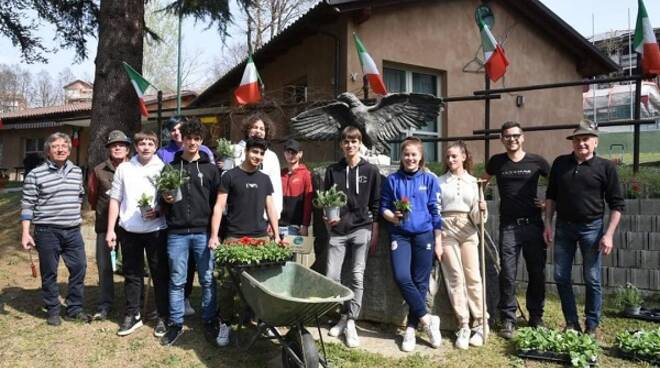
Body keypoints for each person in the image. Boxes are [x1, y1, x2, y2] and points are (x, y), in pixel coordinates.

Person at [544, 119, 624, 336]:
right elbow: (551, 196)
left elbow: (617, 205)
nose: (581, 143)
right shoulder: (560, 164)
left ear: (595, 142)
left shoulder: (605, 168)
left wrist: (608, 235)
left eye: (586, 139)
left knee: (592, 278)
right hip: (563, 228)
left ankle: (591, 324)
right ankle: (571, 323)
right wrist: (548, 225)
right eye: (577, 139)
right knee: (561, 276)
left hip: (592, 229)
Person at [159, 119, 224, 346]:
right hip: (176, 233)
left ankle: (209, 320)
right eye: (189, 139)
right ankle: (175, 324)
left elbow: (218, 202)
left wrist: (217, 233)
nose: (192, 143)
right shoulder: (171, 168)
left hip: (203, 232)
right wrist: (165, 199)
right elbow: (162, 198)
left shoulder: (210, 169)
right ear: (182, 140)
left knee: (207, 279)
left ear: (201, 141)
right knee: (177, 280)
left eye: (197, 139)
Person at [484, 121, 550, 339]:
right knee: (508, 275)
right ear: (502, 139)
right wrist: (478, 201)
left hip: (533, 225)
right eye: (507, 136)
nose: (512, 139)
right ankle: (508, 319)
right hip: (509, 226)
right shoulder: (497, 162)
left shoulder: (537, 161)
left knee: (536, 272)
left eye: (515, 136)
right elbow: (481, 182)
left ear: (523, 137)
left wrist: (548, 203)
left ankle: (536, 317)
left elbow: (558, 183)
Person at [208, 137, 281, 336]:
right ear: (246, 151)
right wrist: (215, 235)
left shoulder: (264, 179)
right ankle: (225, 323)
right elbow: (219, 206)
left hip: (260, 238)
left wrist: (276, 234)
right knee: (227, 284)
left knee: (263, 284)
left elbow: (271, 207)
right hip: (234, 237)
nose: (257, 156)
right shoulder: (230, 176)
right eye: (254, 152)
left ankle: (261, 321)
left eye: (261, 153)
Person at [380, 137, 442, 352]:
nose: (410, 158)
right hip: (400, 235)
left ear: (420, 156)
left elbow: (436, 212)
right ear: (401, 156)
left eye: (414, 154)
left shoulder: (430, 179)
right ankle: (427, 320)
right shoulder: (392, 180)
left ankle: (411, 329)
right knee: (402, 276)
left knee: (420, 282)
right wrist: (393, 218)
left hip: (424, 235)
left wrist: (439, 241)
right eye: (406, 154)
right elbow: (384, 208)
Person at [106, 131, 169, 338]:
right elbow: (115, 199)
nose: (146, 147)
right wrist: (110, 230)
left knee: (159, 274)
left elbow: (169, 198)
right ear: (136, 146)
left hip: (156, 230)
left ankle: (162, 315)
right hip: (128, 230)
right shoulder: (124, 168)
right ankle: (133, 314)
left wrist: (159, 210)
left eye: (150, 143)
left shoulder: (162, 168)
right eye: (142, 143)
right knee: (132, 275)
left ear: (156, 146)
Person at [20, 132, 88, 326]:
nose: (60, 149)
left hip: (73, 230)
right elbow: (27, 205)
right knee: (49, 272)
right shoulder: (35, 174)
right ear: (48, 151)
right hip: (46, 231)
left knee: (79, 268)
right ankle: (53, 309)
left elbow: (80, 196)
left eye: (64, 146)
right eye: (55, 146)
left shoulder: (76, 171)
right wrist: (25, 232)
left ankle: (74, 309)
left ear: (69, 149)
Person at [324, 126, 380, 348]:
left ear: (360, 144)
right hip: (337, 232)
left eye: (354, 141)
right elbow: (326, 200)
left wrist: (374, 231)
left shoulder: (371, 170)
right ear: (341, 144)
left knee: (357, 275)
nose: (350, 145)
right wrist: (327, 219)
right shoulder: (332, 171)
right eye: (346, 141)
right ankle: (343, 316)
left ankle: (351, 321)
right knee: (331, 277)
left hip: (362, 229)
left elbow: (376, 203)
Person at [437, 141, 488, 350]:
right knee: (455, 276)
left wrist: (482, 209)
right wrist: (437, 237)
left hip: (468, 230)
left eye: (454, 156)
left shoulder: (474, 182)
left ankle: (481, 322)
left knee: (473, 276)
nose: (450, 160)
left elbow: (478, 218)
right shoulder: (439, 181)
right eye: (448, 157)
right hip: (446, 229)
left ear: (464, 157)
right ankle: (463, 324)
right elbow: (436, 209)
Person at [87, 130, 131, 320]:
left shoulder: (135, 168)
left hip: (131, 226)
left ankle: (133, 303)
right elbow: (92, 196)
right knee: (104, 266)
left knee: (132, 266)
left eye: (121, 144)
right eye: (114, 145)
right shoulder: (98, 170)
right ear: (108, 149)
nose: (118, 147)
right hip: (105, 225)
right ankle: (105, 303)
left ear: (128, 148)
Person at [226, 112, 283, 220]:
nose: (258, 131)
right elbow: (226, 181)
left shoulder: (271, 157)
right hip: (236, 215)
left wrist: (273, 217)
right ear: (248, 130)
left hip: (261, 217)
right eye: (255, 127)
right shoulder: (233, 150)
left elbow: (276, 189)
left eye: (262, 129)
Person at [279, 139, 313, 237]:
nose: (290, 155)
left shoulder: (306, 174)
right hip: (276, 225)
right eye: (288, 152)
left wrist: (305, 225)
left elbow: (308, 201)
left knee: (290, 253)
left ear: (300, 154)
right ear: (284, 154)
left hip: (294, 226)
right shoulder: (280, 174)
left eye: (294, 152)